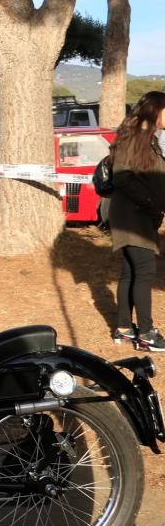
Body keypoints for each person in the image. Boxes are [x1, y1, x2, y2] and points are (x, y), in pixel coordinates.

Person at [109, 91, 165, 352]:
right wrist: (149, 202)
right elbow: (121, 176)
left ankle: (123, 329)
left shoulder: (145, 137)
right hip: (132, 216)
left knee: (131, 272)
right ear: (155, 110)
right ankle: (146, 333)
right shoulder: (133, 136)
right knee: (145, 272)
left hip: (138, 215)